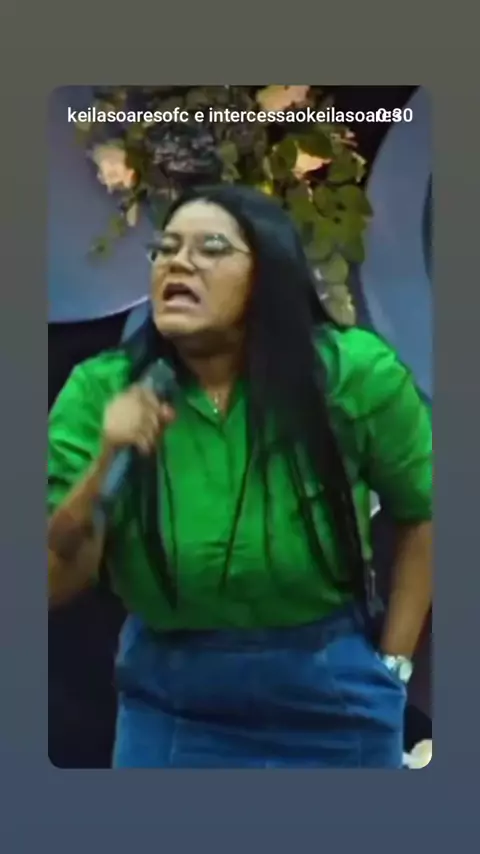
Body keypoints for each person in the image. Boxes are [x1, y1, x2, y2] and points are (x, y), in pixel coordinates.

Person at [48, 184, 432, 769]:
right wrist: (105, 462)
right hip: (173, 701)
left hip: (331, 689)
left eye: (210, 248)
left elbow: (425, 513)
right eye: (165, 249)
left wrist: (394, 665)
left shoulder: (352, 373)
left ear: (269, 272)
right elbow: (51, 584)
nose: (178, 262)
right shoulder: (103, 390)